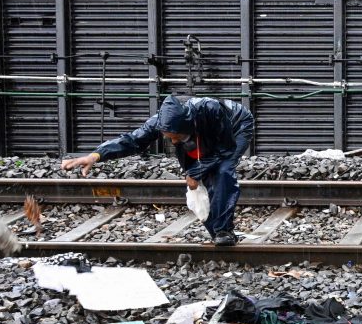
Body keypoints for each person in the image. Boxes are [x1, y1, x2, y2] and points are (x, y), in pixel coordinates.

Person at [62, 95, 255, 246]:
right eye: (168, 138)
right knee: (201, 178)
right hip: (200, 134)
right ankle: (219, 231)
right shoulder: (161, 121)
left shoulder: (209, 110)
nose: (173, 142)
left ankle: (223, 232)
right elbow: (133, 140)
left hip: (236, 127)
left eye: (176, 137)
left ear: (186, 126)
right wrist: (95, 156)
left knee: (222, 171)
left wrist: (195, 172)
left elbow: (225, 149)